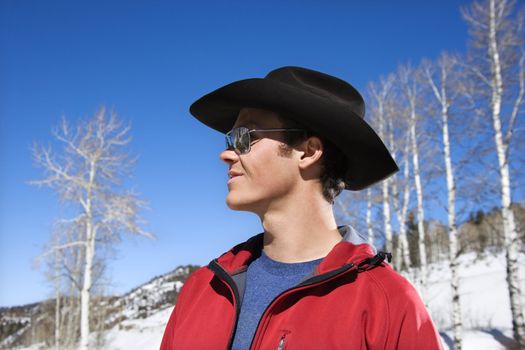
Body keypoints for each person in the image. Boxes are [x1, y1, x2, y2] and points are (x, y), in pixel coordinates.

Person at [160, 66, 443, 350]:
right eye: (230, 139)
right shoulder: (202, 288)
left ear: (308, 152)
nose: (225, 154)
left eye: (246, 137)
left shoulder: (388, 302)